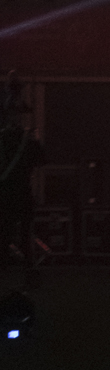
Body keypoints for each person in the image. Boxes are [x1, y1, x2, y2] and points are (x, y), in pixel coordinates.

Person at [0, 72, 44, 270]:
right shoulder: (28, 142)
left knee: (6, 233)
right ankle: (29, 269)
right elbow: (41, 161)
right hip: (21, 192)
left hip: (8, 193)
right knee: (24, 234)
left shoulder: (5, 140)